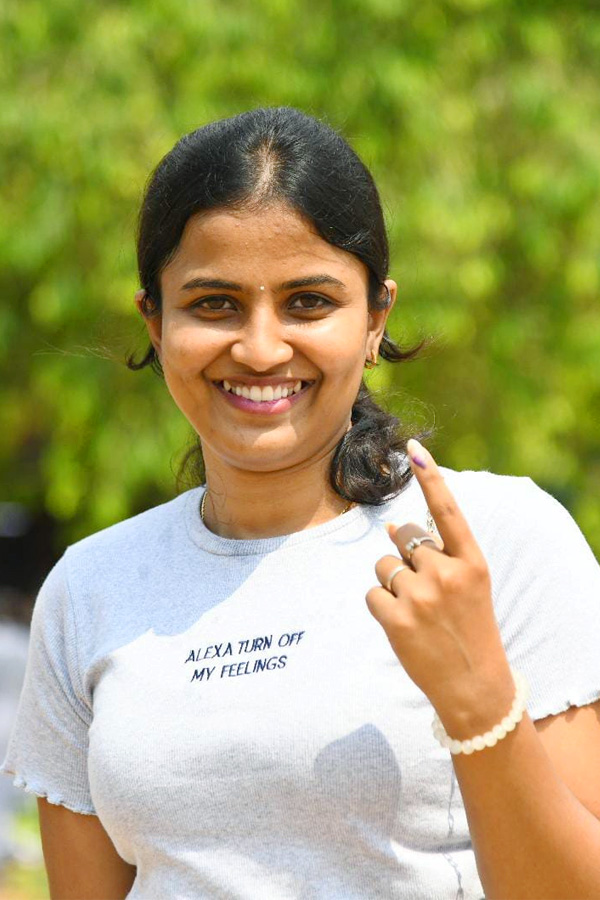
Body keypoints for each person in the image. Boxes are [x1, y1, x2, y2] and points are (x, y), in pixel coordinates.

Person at [2, 106, 600, 900]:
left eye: (309, 301)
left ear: (376, 317)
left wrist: (477, 695)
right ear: (154, 316)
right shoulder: (89, 589)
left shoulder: (500, 544)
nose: (259, 347)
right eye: (213, 303)